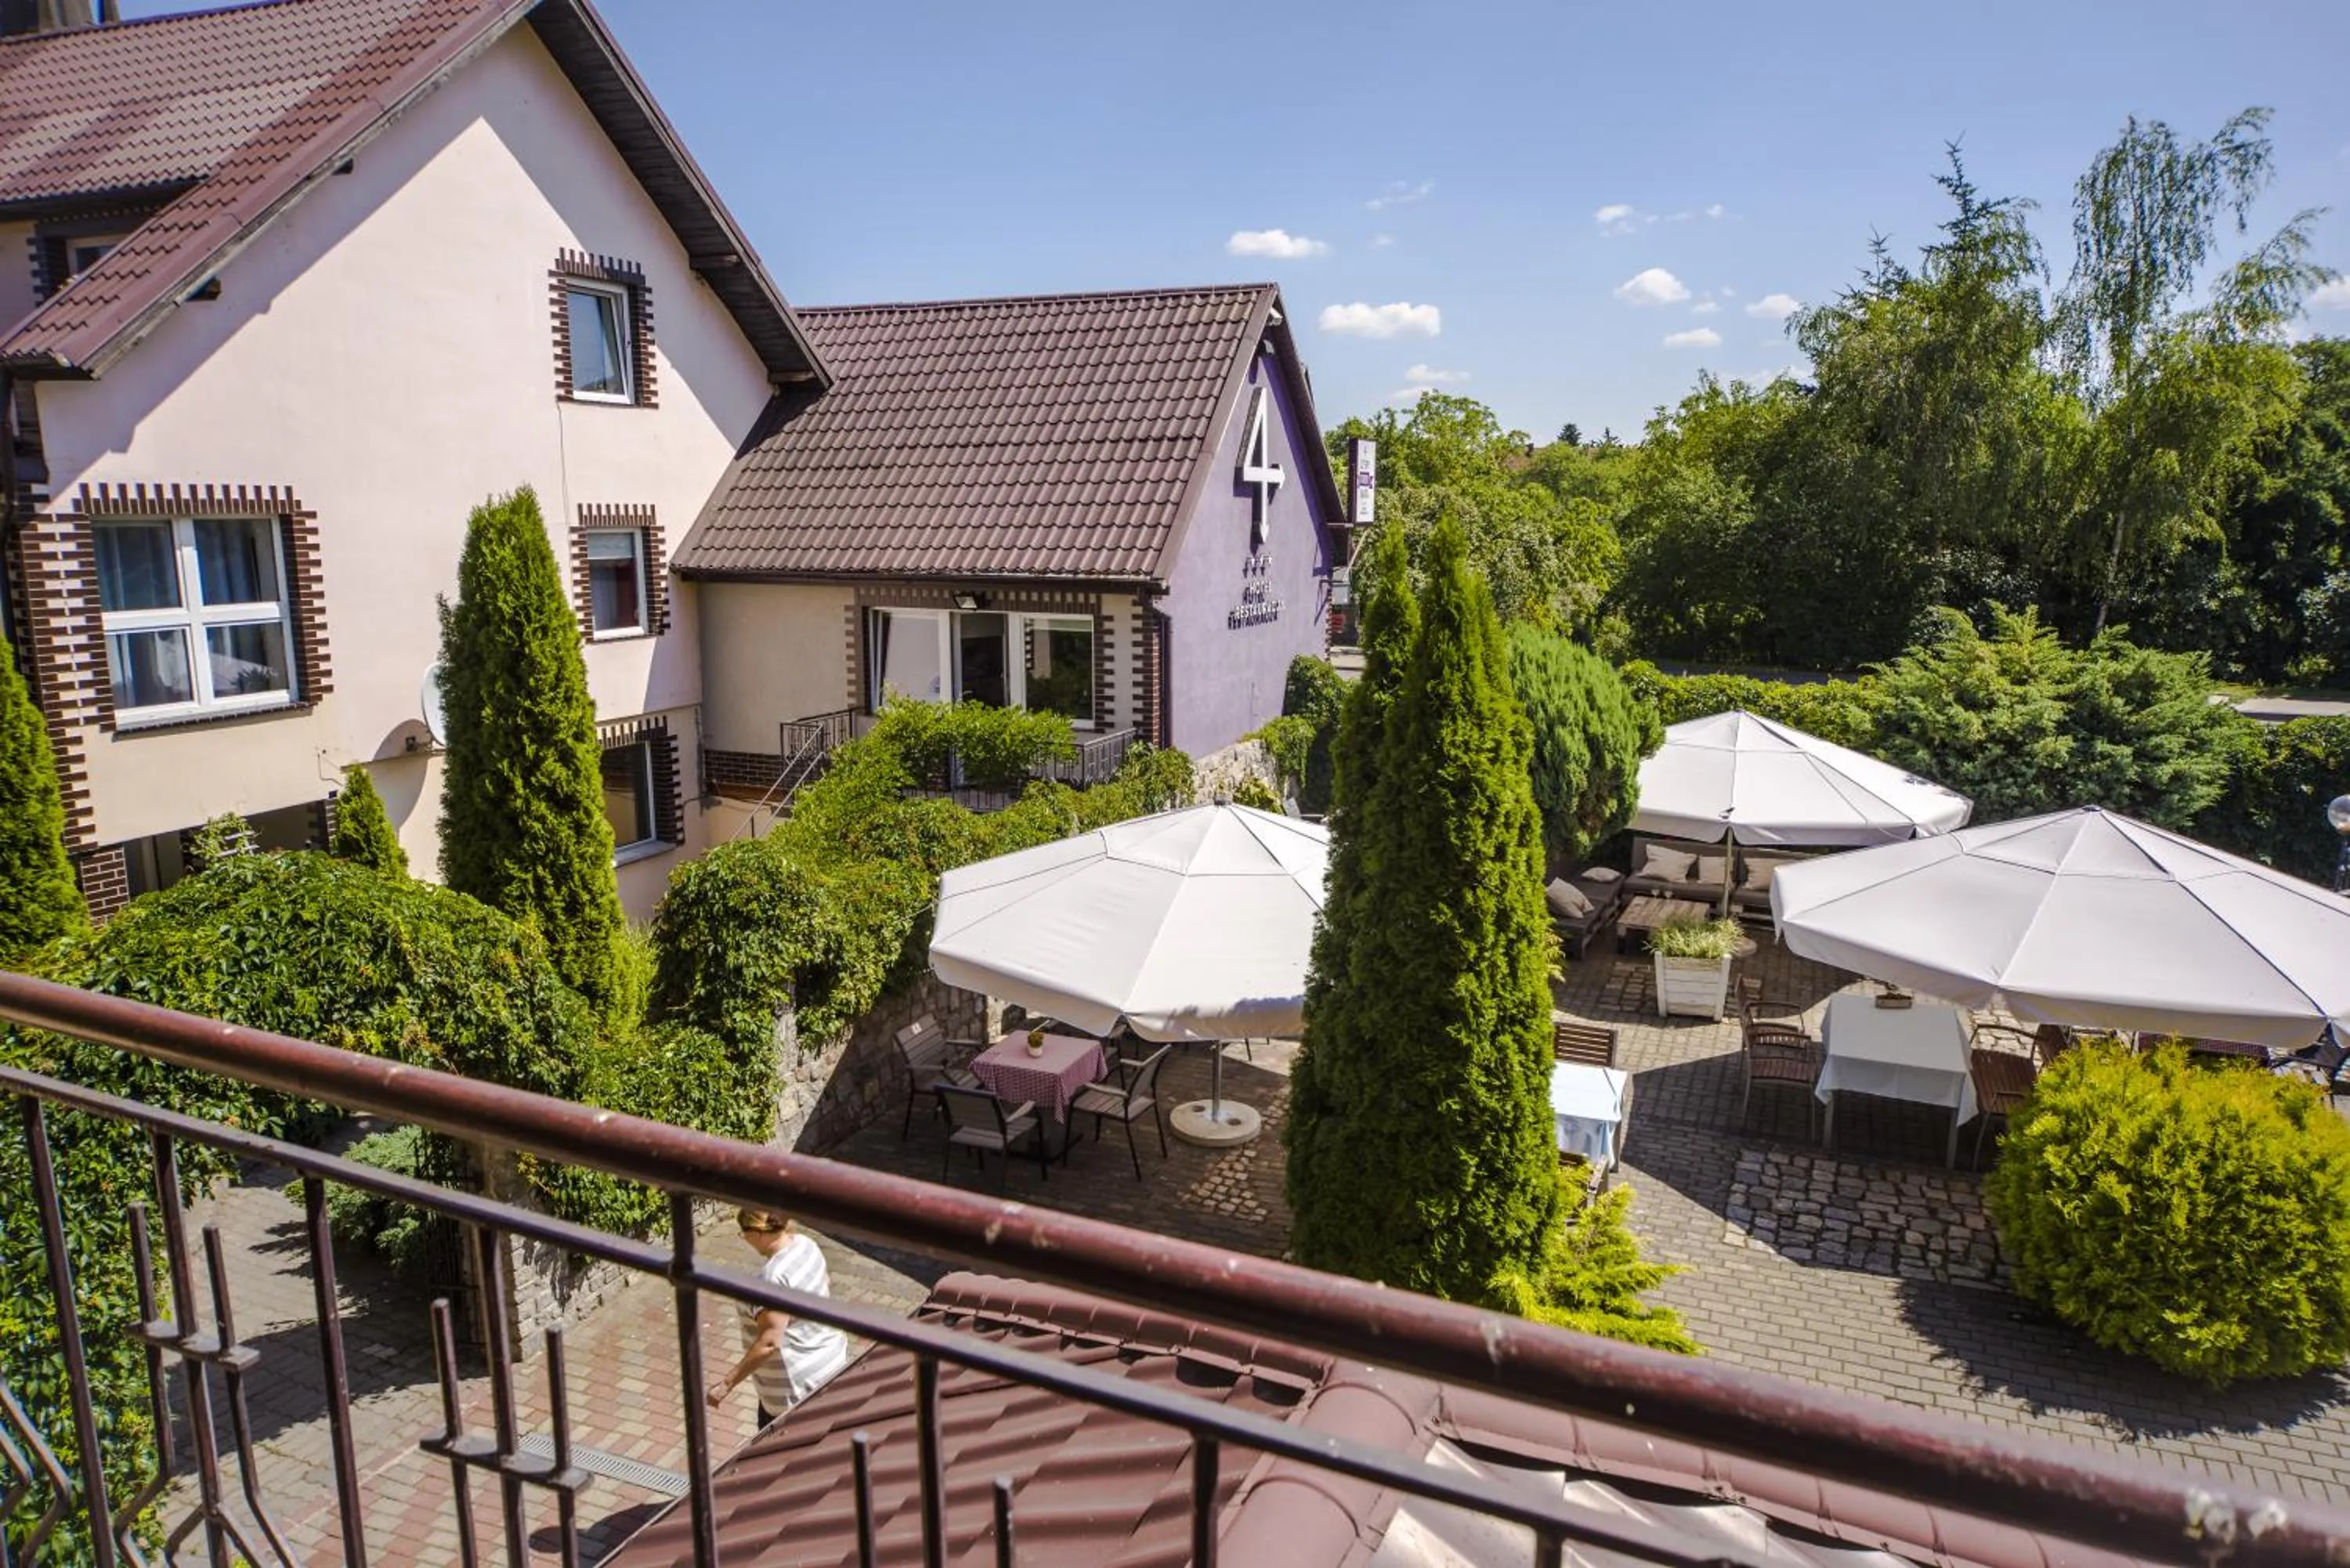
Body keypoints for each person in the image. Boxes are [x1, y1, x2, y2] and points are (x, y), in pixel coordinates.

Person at [706, 1209, 850, 1428]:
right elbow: (825, 1282)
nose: (744, 1239)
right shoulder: (805, 1244)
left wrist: (726, 1384)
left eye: (743, 1233)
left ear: (758, 1232)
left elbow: (770, 1342)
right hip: (833, 1362)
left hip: (797, 1391)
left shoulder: (771, 1280)